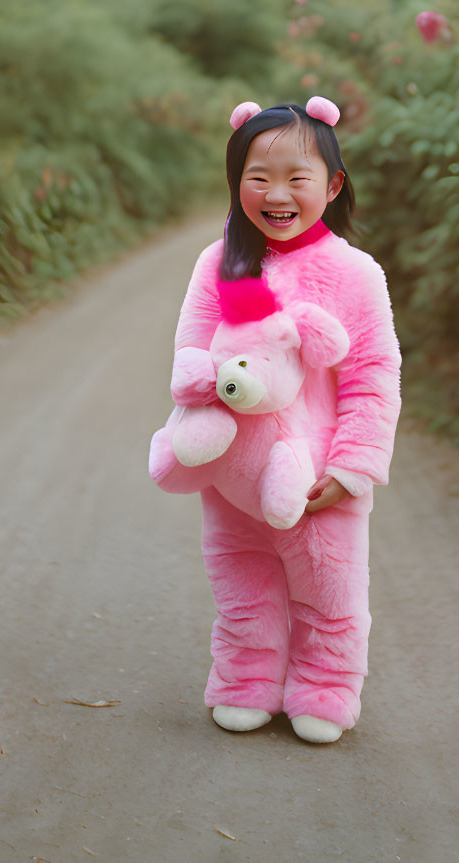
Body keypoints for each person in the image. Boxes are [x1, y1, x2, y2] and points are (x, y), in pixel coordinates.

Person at [164, 97, 402, 743]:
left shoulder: (354, 272)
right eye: (257, 176)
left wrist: (352, 467)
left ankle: (324, 686)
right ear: (235, 181)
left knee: (328, 589)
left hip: (318, 472)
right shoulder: (221, 263)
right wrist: (196, 429)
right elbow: (192, 350)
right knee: (242, 584)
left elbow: (373, 375)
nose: (275, 193)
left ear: (332, 185)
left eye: (296, 178)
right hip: (232, 471)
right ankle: (246, 680)